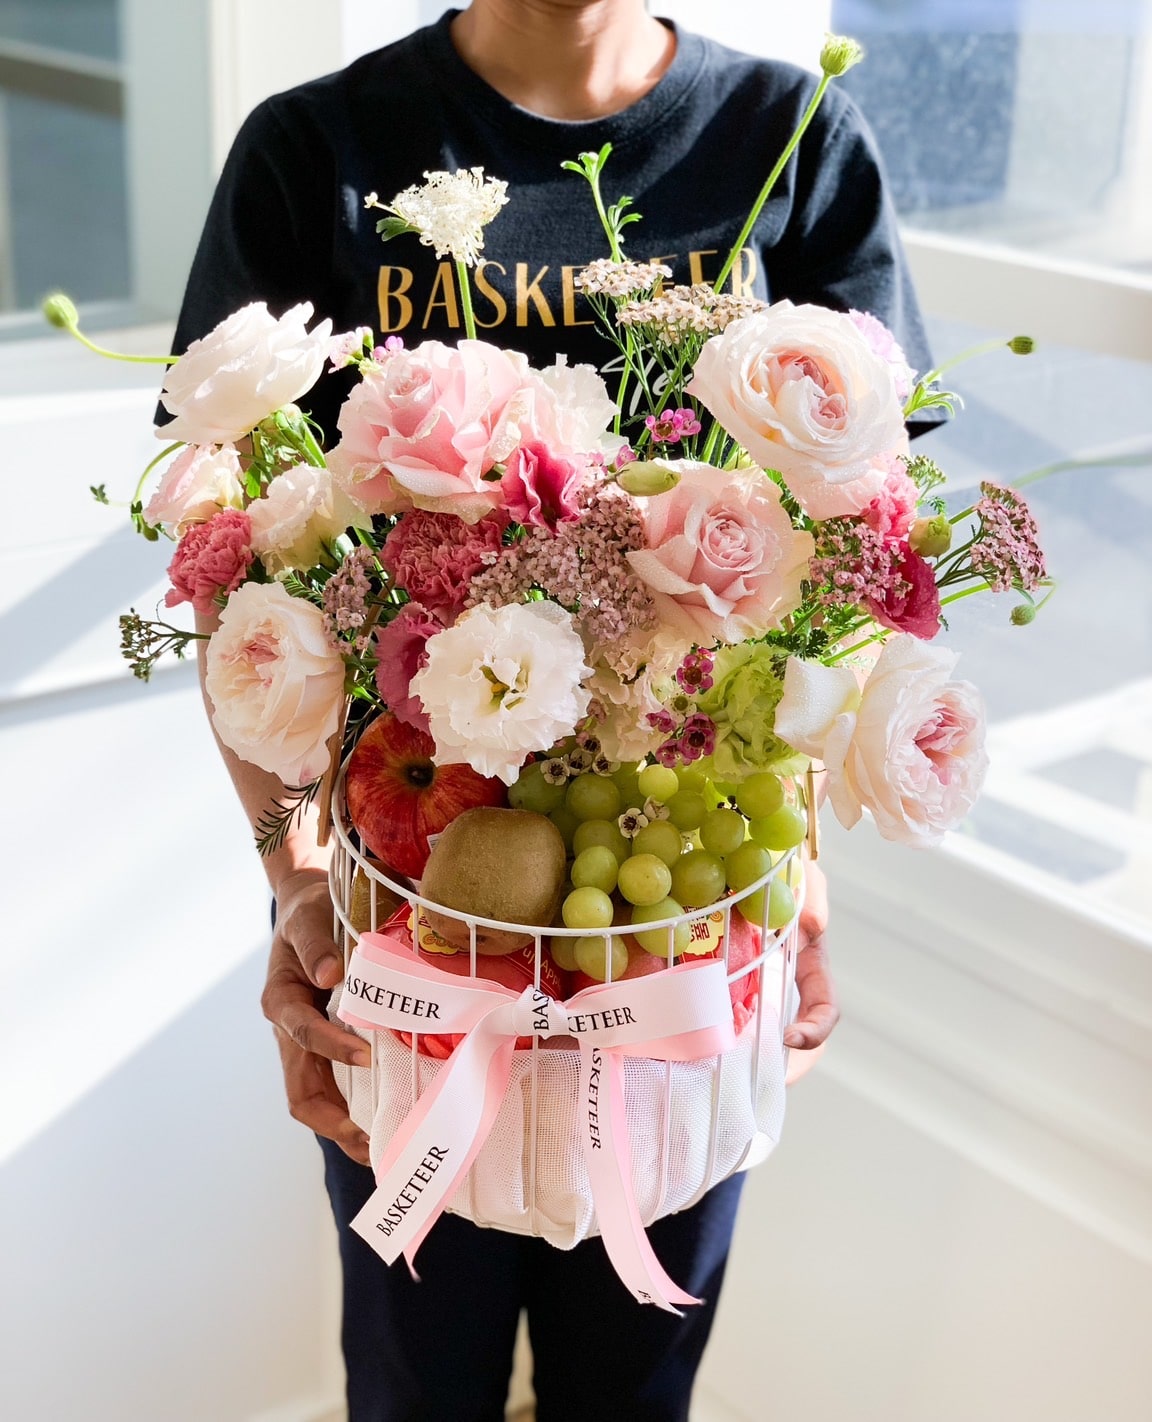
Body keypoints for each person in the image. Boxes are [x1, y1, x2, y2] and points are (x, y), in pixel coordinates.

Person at [173, 3, 936, 1418]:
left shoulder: (793, 143)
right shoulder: (316, 152)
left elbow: (863, 561)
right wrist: (292, 878)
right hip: (411, 939)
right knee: (413, 1380)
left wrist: (807, 872)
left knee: (637, 1377)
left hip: (679, 939)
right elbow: (233, 578)